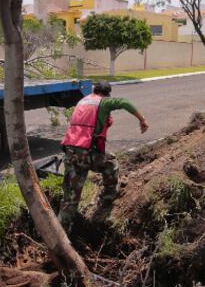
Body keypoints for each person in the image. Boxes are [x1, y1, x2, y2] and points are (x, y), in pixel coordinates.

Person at [59, 79, 148, 230]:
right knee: (111, 162)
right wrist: (142, 120)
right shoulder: (104, 102)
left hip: (70, 153)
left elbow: (94, 122)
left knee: (70, 197)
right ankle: (108, 196)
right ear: (107, 94)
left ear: (94, 91)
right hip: (88, 153)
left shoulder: (83, 101)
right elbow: (124, 102)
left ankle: (61, 231)